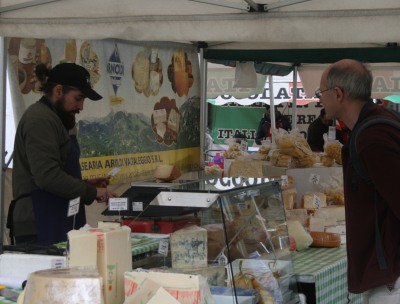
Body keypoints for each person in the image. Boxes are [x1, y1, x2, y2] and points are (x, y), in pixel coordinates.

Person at [317, 59, 400, 303]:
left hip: (391, 281)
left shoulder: (372, 138)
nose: (319, 99)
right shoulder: (377, 124)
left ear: (338, 93)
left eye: (321, 92)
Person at [10, 63, 117, 246]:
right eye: (78, 98)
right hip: (40, 225)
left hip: (58, 218)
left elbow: (55, 169)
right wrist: (90, 192)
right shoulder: (40, 120)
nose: (81, 106)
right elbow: (47, 176)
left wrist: (83, 184)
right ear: (58, 90)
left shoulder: (56, 119)